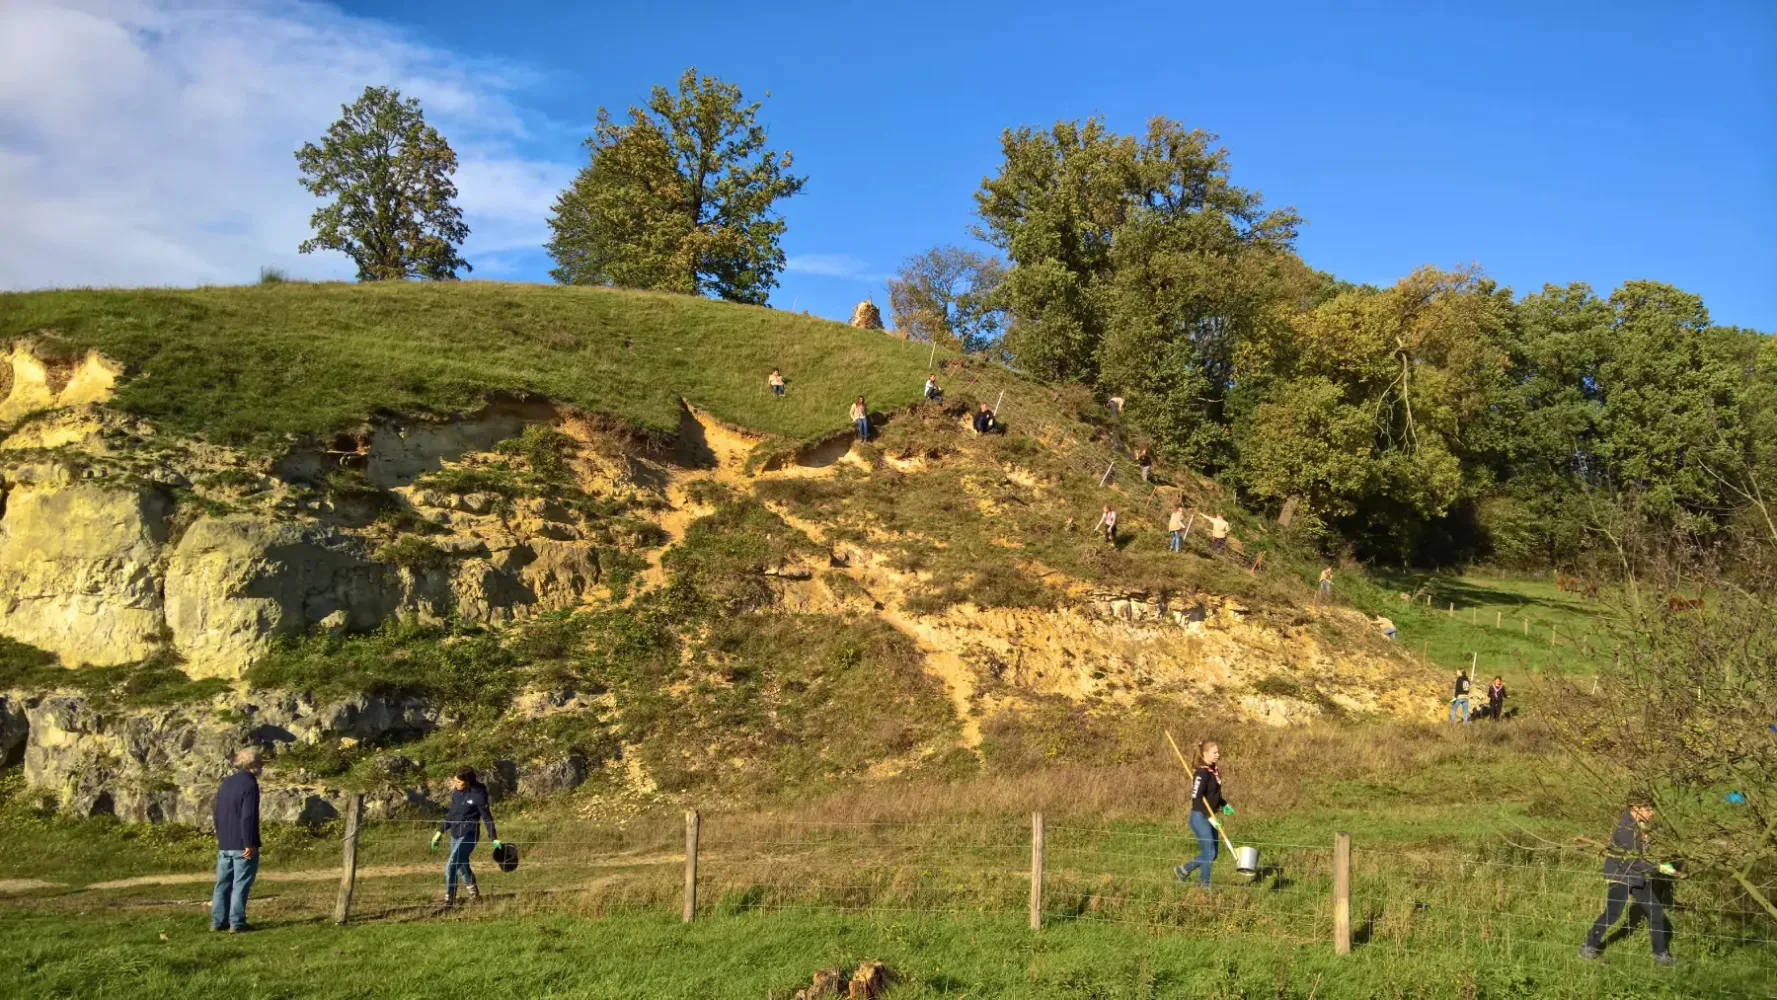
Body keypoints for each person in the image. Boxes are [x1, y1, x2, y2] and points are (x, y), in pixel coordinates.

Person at [1580, 798, 1677, 966]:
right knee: (1613, 913)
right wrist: (1661, 868)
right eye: (1648, 809)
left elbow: (1639, 857)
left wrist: (1646, 839)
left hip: (1635, 875)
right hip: (1620, 875)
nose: (1651, 813)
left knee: (1655, 910)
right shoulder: (1626, 828)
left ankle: (1661, 956)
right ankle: (1588, 946)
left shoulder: (1637, 826)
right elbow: (1634, 861)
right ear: (1635, 808)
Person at [430, 766, 501, 910]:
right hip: (455, 833)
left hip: (469, 833)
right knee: (462, 866)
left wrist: (494, 838)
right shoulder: (457, 792)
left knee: (451, 866)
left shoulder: (479, 795)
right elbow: (452, 814)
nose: (455, 785)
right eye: (455, 781)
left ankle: (450, 901)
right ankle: (475, 896)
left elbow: (487, 817)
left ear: (467, 781)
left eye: (458, 782)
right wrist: (440, 832)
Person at [210, 747, 262, 933]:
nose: (262, 765)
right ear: (251, 765)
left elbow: (217, 813)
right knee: (240, 883)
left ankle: (217, 921)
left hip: (225, 842)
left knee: (222, 884)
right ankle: (237, 923)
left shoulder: (227, 783)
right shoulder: (250, 784)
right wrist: (249, 842)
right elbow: (248, 816)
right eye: (260, 762)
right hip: (242, 844)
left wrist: (221, 838)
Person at [1174, 740, 1233, 887]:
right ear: (1205, 754)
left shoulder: (1214, 770)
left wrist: (1223, 804)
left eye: (1218, 752)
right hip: (1200, 817)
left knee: (1213, 854)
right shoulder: (1201, 773)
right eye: (1215, 752)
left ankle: (1183, 870)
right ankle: (1205, 885)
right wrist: (1209, 818)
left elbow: (1213, 794)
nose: (1218, 755)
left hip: (1211, 816)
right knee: (1209, 853)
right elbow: (1197, 799)